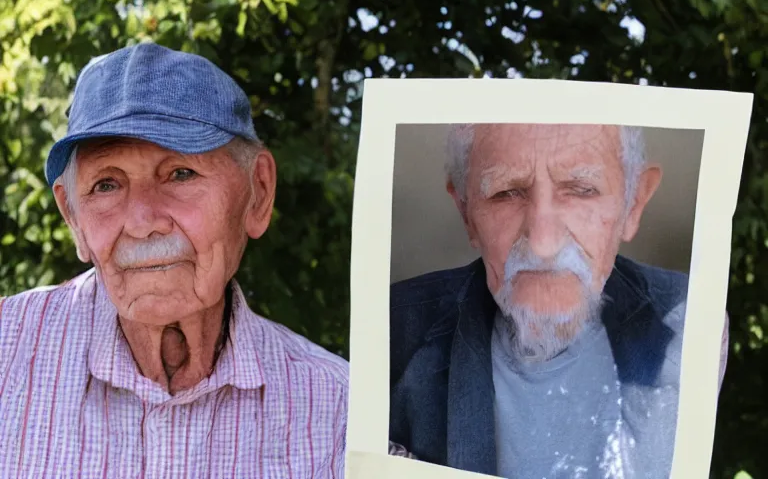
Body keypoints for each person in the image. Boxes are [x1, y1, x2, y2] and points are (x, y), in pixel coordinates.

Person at [0, 43, 348, 478]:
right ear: (73, 217)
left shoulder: (340, 414)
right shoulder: (6, 353)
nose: (143, 223)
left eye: (181, 174)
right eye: (106, 185)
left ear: (257, 193)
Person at [388, 123, 729, 479]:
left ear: (633, 204)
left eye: (581, 190)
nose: (543, 244)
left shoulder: (694, 322)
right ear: (466, 212)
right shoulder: (392, 329)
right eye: (506, 192)